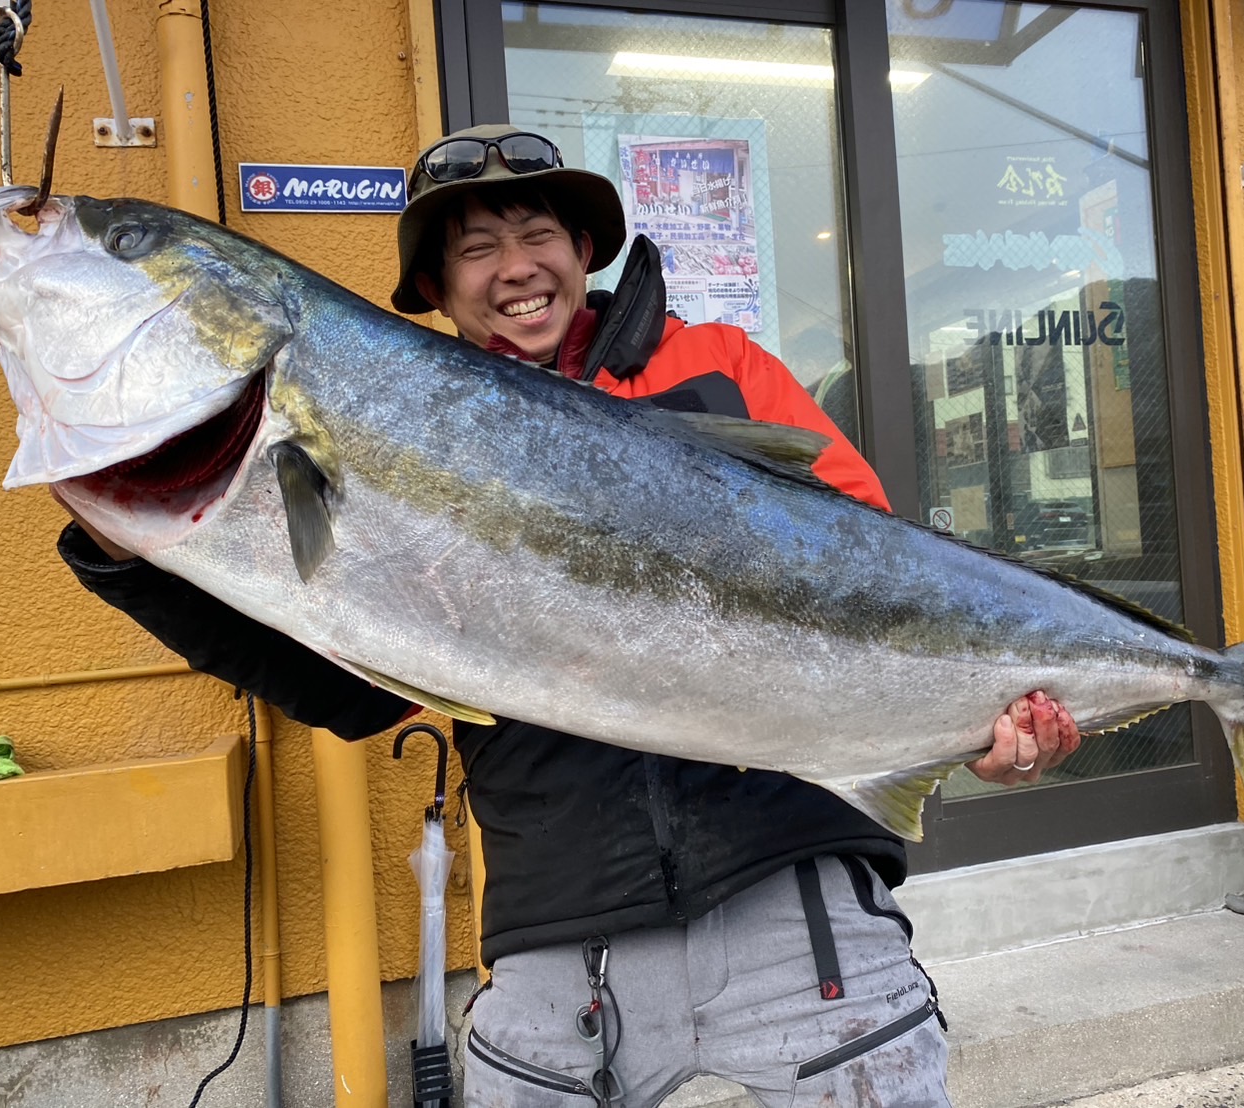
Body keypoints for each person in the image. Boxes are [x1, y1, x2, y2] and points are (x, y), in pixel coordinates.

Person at [55, 124, 1081, 1107]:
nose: (515, 268)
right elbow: (352, 688)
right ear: (435, 287)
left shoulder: (720, 368)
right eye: (476, 248)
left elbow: (882, 591)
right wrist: (130, 559)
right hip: (558, 929)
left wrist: (970, 730)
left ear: (584, 250)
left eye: (537, 233)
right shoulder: (404, 435)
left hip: (794, 897)